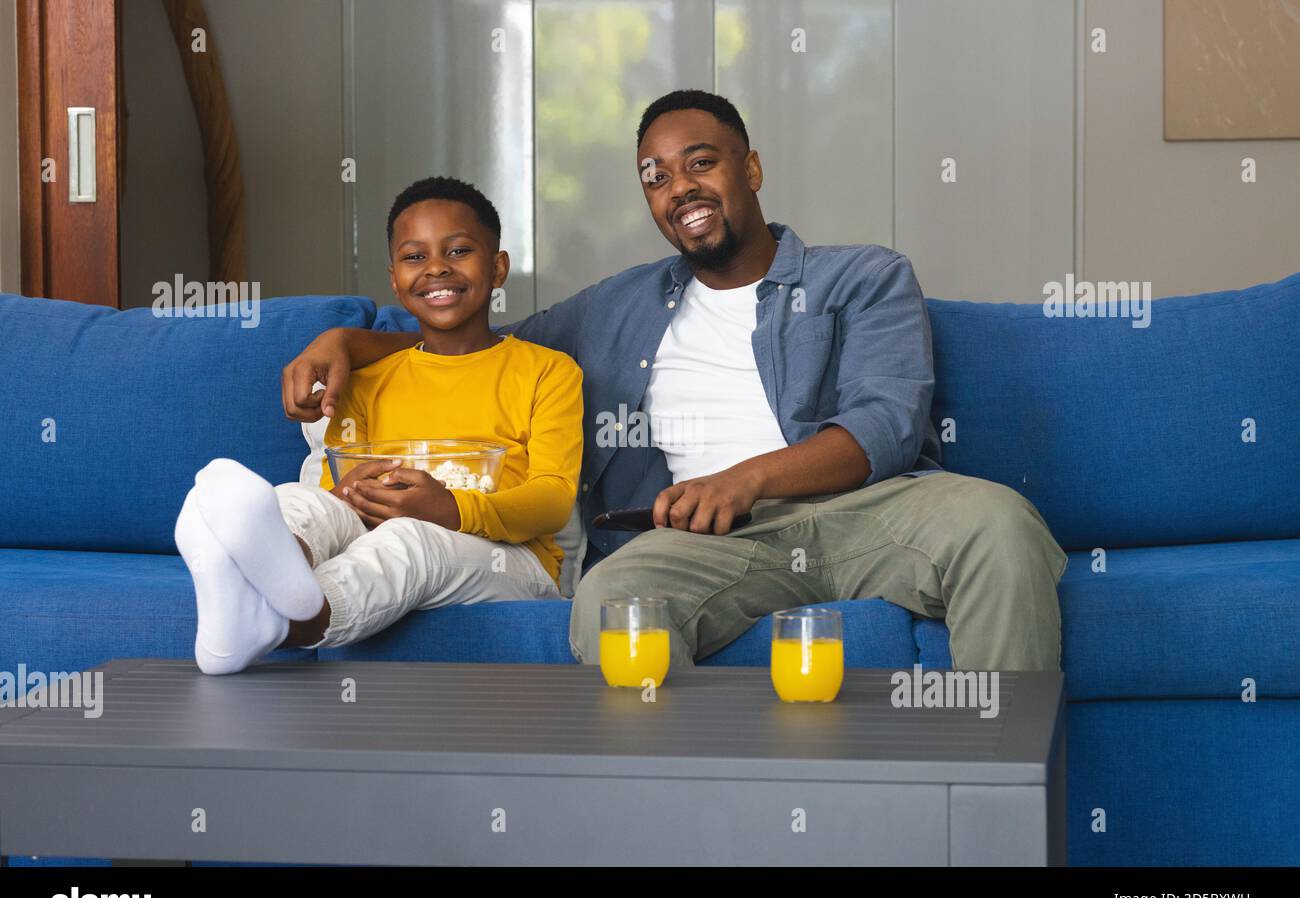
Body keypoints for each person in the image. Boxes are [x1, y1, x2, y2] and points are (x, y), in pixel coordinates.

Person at [282, 90, 1067, 673]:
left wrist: (747, 477)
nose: (679, 187)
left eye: (701, 162)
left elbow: (888, 424)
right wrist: (344, 336)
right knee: (609, 600)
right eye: (657, 176)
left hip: (870, 514)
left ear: (750, 167)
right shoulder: (615, 307)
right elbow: (473, 335)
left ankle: (993, 813)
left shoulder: (861, 277)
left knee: (998, 523)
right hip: (706, 542)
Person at [177, 176, 583, 675]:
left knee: (409, 539)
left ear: (497, 268)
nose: (436, 267)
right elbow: (337, 498)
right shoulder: (366, 381)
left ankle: (284, 621)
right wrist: (352, 493)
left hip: (513, 561)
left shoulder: (548, 370)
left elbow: (553, 499)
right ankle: (251, 571)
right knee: (298, 501)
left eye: (458, 251)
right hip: (378, 530)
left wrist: (451, 508)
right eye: (415, 257)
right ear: (394, 279)